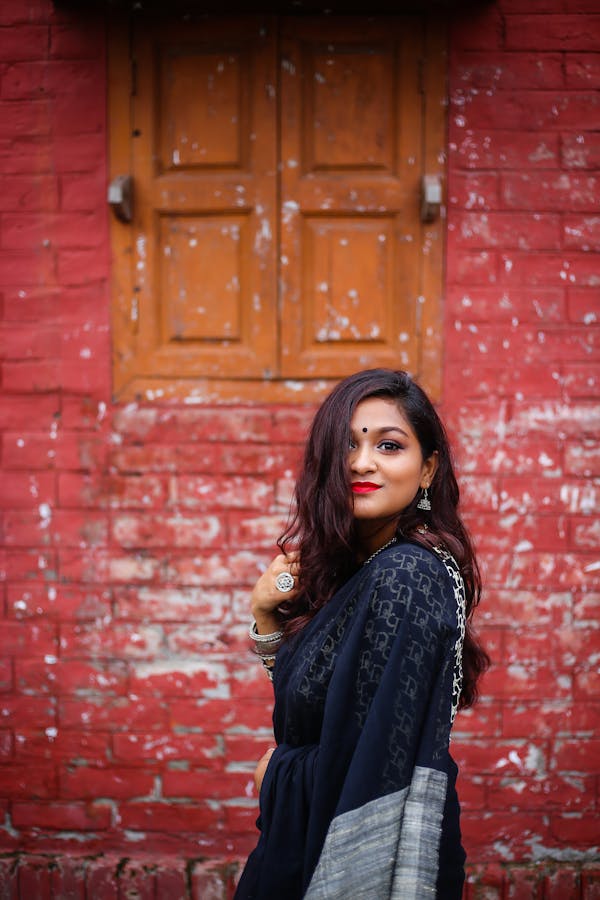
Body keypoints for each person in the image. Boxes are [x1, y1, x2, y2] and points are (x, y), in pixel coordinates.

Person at [234, 368, 489, 900]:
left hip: (351, 864)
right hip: (300, 845)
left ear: (427, 470)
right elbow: (321, 707)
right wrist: (265, 618)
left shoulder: (405, 576)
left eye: (389, 446)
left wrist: (276, 774)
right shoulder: (361, 569)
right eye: (346, 446)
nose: (361, 462)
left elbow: (372, 763)